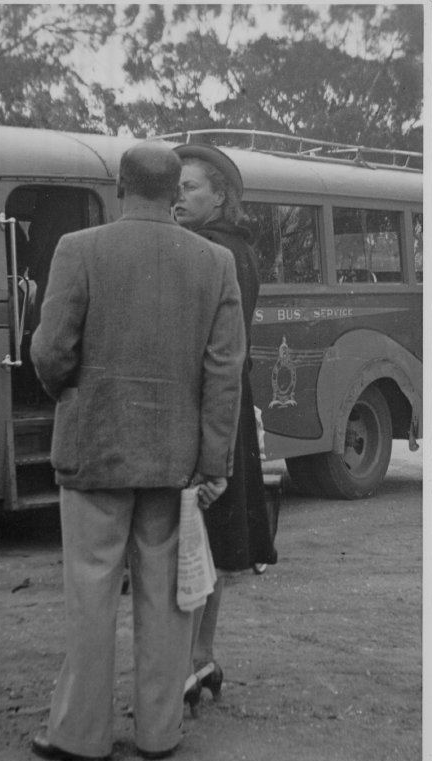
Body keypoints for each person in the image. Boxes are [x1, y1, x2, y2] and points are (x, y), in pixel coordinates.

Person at [30, 140, 246, 761]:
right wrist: (214, 462)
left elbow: (50, 351)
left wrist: (69, 391)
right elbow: (224, 370)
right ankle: (160, 731)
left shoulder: (79, 249)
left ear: (120, 187)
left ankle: (79, 735)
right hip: (175, 459)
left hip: (94, 447)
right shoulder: (215, 264)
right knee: (167, 595)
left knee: (90, 591)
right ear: (175, 189)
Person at [174, 143, 278, 707]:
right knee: (212, 538)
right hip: (227, 406)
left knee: (192, 537)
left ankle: (187, 661)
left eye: (190, 187)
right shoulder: (236, 248)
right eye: (176, 187)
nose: (178, 197)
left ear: (221, 196)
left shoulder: (210, 251)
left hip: (206, 408)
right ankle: (201, 655)